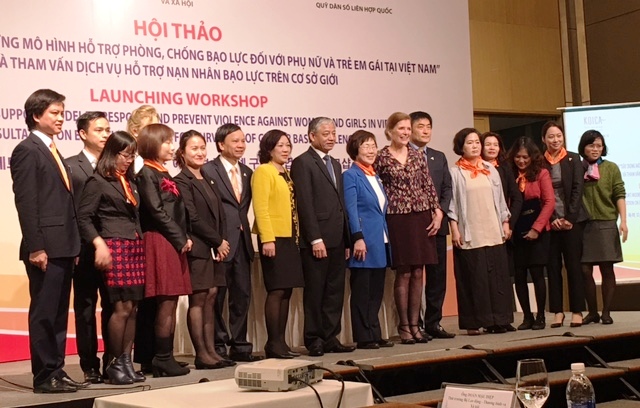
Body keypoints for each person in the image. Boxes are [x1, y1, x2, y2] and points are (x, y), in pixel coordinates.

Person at [10, 89, 86, 393]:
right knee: (44, 313)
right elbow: (26, 203)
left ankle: (57, 369)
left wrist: (73, 242)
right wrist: (37, 246)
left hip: (64, 245)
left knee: (58, 314)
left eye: (62, 112)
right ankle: (44, 376)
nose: (60, 118)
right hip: (45, 247)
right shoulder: (27, 150)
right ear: (36, 115)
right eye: (54, 112)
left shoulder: (53, 150)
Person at [77, 131, 146, 384]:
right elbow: (84, 217)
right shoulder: (98, 181)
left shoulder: (127, 181)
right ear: (112, 153)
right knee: (121, 307)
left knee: (133, 308)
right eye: (124, 155)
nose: (128, 160)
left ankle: (126, 361)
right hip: (114, 245)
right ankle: (114, 364)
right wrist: (99, 244)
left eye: (132, 156)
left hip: (134, 245)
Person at [374, 112, 443, 344]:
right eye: (401, 128)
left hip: (421, 215)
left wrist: (437, 211)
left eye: (407, 129)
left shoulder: (416, 155)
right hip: (398, 217)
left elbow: (428, 185)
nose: (405, 133)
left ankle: (416, 325)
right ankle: (403, 326)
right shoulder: (381, 156)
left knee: (418, 272)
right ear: (390, 131)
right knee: (403, 272)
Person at [290, 117, 354, 356]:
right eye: (326, 133)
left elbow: (340, 203)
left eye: (333, 133)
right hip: (317, 240)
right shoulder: (302, 162)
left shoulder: (335, 163)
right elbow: (305, 203)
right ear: (312, 136)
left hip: (337, 237)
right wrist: (315, 238)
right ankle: (314, 339)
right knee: (316, 291)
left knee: (334, 291)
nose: (331, 138)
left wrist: (346, 238)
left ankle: (331, 337)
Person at [174, 130, 235, 369]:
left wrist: (222, 241)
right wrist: (217, 241)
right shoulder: (182, 180)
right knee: (198, 299)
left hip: (214, 248)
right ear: (182, 153)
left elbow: (220, 214)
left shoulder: (208, 178)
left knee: (211, 296)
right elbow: (193, 217)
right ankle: (201, 354)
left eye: (202, 148)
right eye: (194, 148)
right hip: (199, 247)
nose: (200, 153)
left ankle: (212, 352)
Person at [137, 123, 192, 377]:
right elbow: (156, 211)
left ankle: (164, 356)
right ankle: (161, 358)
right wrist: (180, 238)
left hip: (170, 239)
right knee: (166, 300)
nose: (171, 147)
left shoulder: (162, 172)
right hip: (160, 240)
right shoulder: (147, 173)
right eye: (166, 142)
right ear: (152, 144)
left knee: (170, 300)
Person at [201, 124, 259, 362]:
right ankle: (218, 344)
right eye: (235, 141)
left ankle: (240, 345)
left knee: (242, 296)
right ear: (220, 144)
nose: (241, 145)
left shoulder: (247, 171)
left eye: (243, 140)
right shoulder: (208, 170)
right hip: (220, 243)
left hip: (243, 243)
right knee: (217, 297)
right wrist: (215, 240)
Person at [448, 128, 513, 336]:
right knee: (475, 279)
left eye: (477, 142)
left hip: (492, 229)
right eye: (470, 142)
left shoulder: (490, 169)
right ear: (461, 146)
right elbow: (452, 205)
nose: (475, 146)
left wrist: (505, 222)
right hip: (470, 232)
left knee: (497, 278)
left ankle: (499, 320)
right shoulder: (455, 172)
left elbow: (501, 199)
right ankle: (475, 322)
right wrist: (455, 229)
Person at [66, 111, 112, 383]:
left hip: (114, 246)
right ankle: (89, 366)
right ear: (83, 134)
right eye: (99, 130)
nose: (105, 134)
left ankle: (113, 362)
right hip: (83, 248)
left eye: (107, 130)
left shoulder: (115, 166)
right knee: (85, 308)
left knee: (114, 306)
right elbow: (69, 211)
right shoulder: (71, 166)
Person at [252, 130, 305, 358]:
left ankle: (281, 342)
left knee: (287, 291)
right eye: (280, 145)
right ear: (269, 148)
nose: (285, 149)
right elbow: (261, 207)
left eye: (288, 145)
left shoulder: (286, 173)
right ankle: (272, 343)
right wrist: (267, 238)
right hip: (274, 238)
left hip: (290, 237)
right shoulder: (264, 171)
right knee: (276, 290)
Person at [343, 130, 394, 349]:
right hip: (364, 240)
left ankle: (374, 331)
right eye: (366, 146)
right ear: (355, 149)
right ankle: (364, 336)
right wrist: (357, 237)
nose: (371, 150)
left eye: (373, 146)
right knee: (362, 291)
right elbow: (351, 209)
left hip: (380, 240)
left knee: (376, 291)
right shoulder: (351, 175)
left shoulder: (375, 176)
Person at [409, 111, 455, 339]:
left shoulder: (438, 156)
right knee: (414, 276)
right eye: (420, 126)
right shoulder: (402, 155)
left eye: (428, 126)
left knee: (437, 277)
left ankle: (434, 323)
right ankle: (413, 324)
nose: (425, 131)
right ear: (409, 129)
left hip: (438, 224)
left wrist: (440, 213)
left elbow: (446, 188)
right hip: (413, 225)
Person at [541, 121, 589, 328]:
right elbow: (540, 194)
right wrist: (552, 218)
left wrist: (569, 218)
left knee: (573, 266)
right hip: (550, 221)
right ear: (544, 139)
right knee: (552, 267)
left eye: (558, 136)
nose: (555, 140)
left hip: (572, 221)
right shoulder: (539, 162)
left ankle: (577, 311)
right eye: (551, 136)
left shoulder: (573, 158)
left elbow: (578, 189)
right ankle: (558, 312)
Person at [578, 130, 627, 325]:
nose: (595, 149)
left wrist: (623, 221)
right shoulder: (577, 168)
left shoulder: (611, 168)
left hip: (606, 223)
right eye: (591, 145)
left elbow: (619, 194)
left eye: (599, 146)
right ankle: (592, 312)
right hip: (584, 225)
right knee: (584, 269)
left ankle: (606, 312)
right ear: (583, 147)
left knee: (607, 269)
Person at [507, 137, 555, 330]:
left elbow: (549, 202)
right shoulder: (509, 174)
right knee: (519, 275)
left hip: (538, 232)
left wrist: (536, 228)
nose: (521, 161)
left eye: (525, 157)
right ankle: (527, 317)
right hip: (516, 231)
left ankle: (541, 316)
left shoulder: (542, 173)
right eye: (518, 157)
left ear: (532, 157)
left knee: (537, 274)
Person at [481, 131, 522, 332]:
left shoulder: (505, 168)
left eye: (495, 145)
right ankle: (490, 320)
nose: (492, 148)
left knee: (503, 275)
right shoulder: (474, 168)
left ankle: (505, 318)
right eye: (488, 144)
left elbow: (517, 198)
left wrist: (508, 223)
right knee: (487, 275)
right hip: (482, 228)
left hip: (502, 228)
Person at [126, 105, 160, 174]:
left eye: (157, 127)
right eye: (150, 128)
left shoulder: (157, 156)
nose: (156, 132)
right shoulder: (128, 158)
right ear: (135, 131)